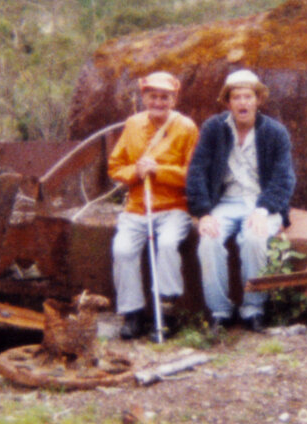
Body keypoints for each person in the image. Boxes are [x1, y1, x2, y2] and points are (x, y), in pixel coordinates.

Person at [186, 68, 296, 330]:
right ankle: (220, 312)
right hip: (225, 203)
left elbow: (284, 178)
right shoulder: (214, 128)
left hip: (260, 203)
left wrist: (265, 209)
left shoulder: (275, 132)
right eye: (236, 98)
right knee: (208, 241)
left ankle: (253, 308)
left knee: (255, 239)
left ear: (258, 100)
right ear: (228, 102)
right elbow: (197, 171)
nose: (243, 103)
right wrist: (203, 212)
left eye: (248, 97)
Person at [106, 71, 198, 340]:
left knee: (168, 244)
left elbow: (193, 175)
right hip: (137, 208)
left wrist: (159, 171)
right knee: (122, 249)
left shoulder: (187, 128)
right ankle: (132, 314)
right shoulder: (133, 124)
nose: (158, 102)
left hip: (173, 207)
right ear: (144, 97)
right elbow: (115, 166)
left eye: (164, 97)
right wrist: (136, 172)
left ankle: (166, 310)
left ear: (173, 99)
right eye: (153, 96)